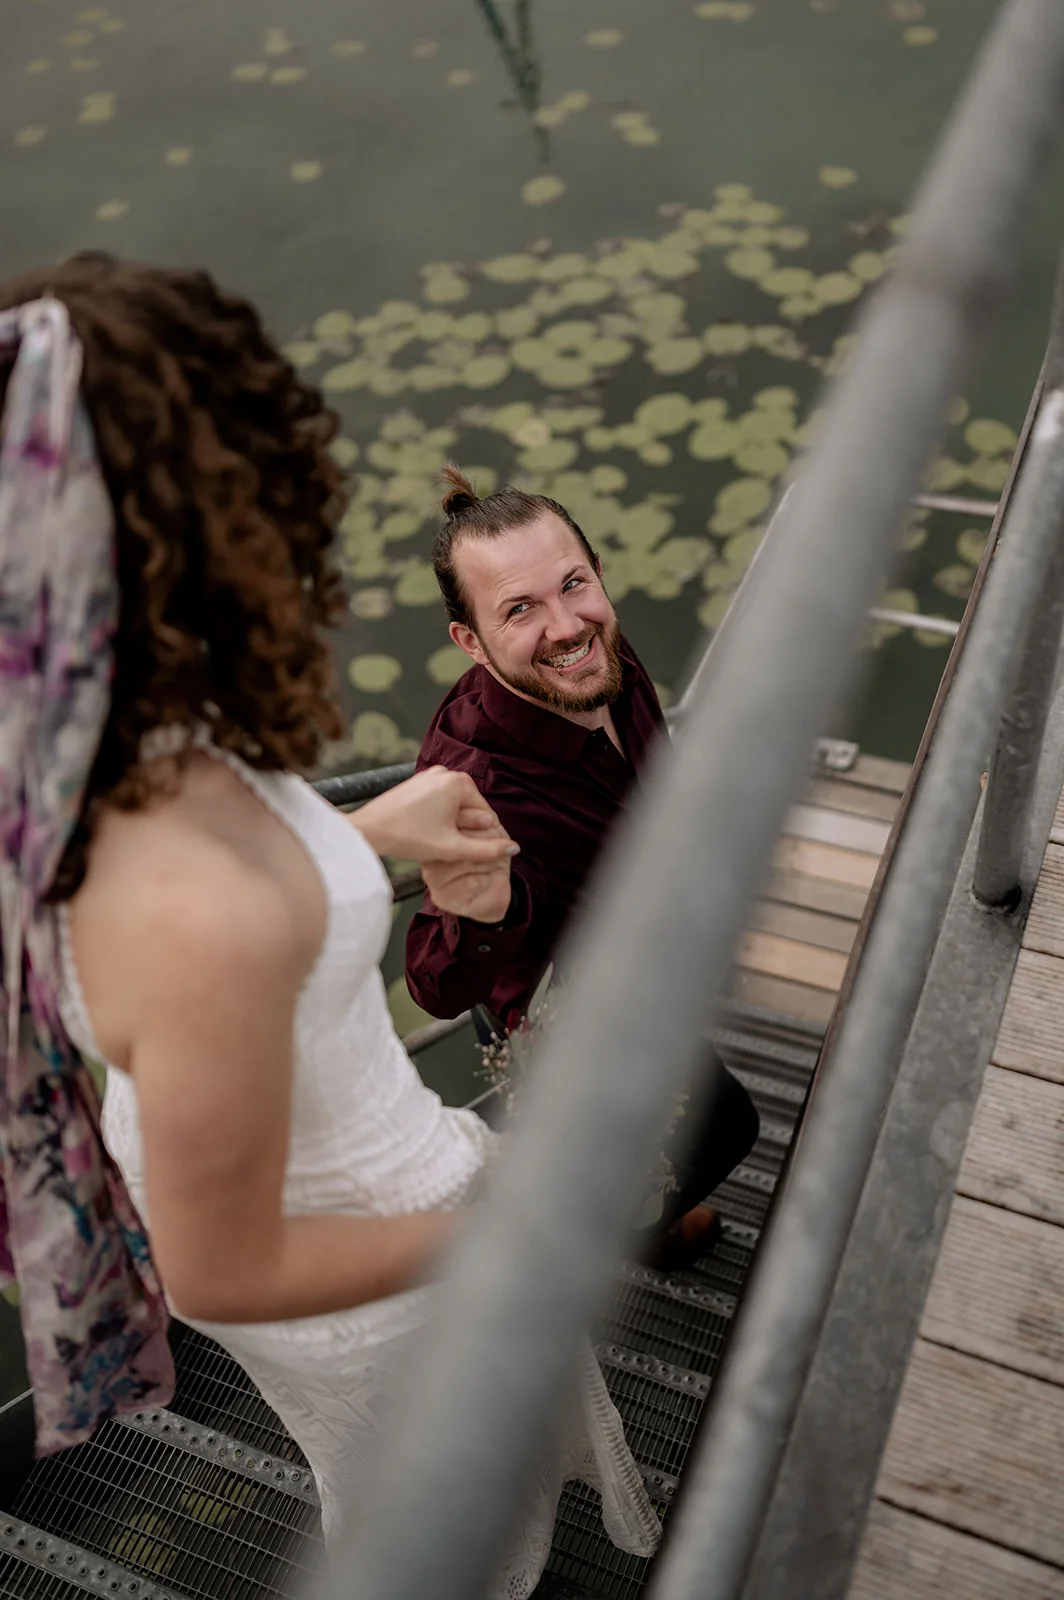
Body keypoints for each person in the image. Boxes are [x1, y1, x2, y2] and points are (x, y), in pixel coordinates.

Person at [0, 256, 661, 1591]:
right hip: (360, 1247)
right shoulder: (192, 895)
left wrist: (367, 836)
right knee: (443, 1516)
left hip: (299, 1123)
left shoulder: (100, 730)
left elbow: (195, 919)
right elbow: (219, 1269)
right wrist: (514, 1220)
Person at [405, 468, 761, 1267]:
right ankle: (629, 1240)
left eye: (573, 584)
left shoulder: (600, 651)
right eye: (519, 609)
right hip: (564, 1010)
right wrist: (484, 909)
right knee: (723, 1127)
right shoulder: (470, 785)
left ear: (598, 572)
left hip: (645, 953)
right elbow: (435, 982)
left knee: (688, 1132)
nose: (565, 625)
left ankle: (650, 1226)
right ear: (470, 641)